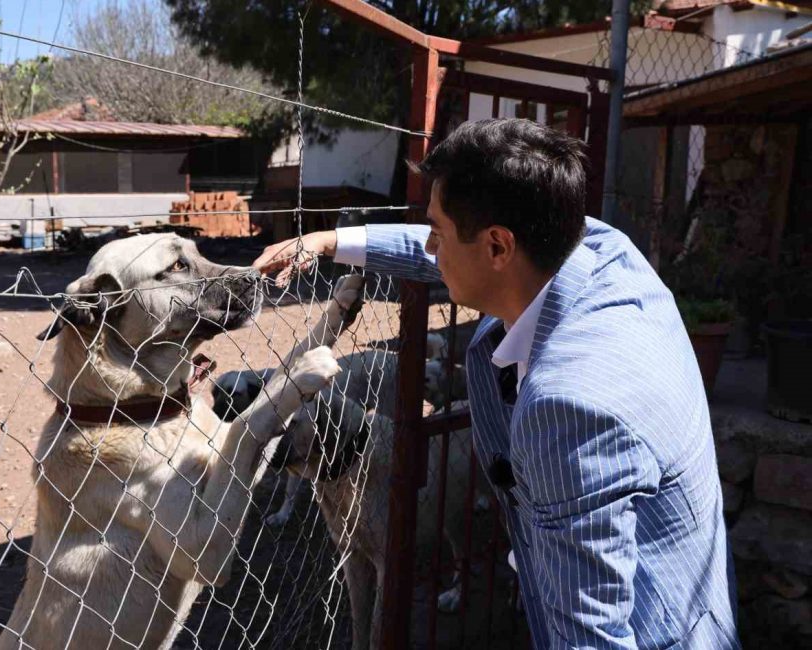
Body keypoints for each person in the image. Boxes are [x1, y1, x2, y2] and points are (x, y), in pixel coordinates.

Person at [253, 119, 738, 650]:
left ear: (499, 247)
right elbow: (456, 245)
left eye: (436, 230)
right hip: (694, 605)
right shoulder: (601, 250)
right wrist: (332, 241)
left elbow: (590, 637)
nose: (431, 247)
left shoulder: (568, 409)